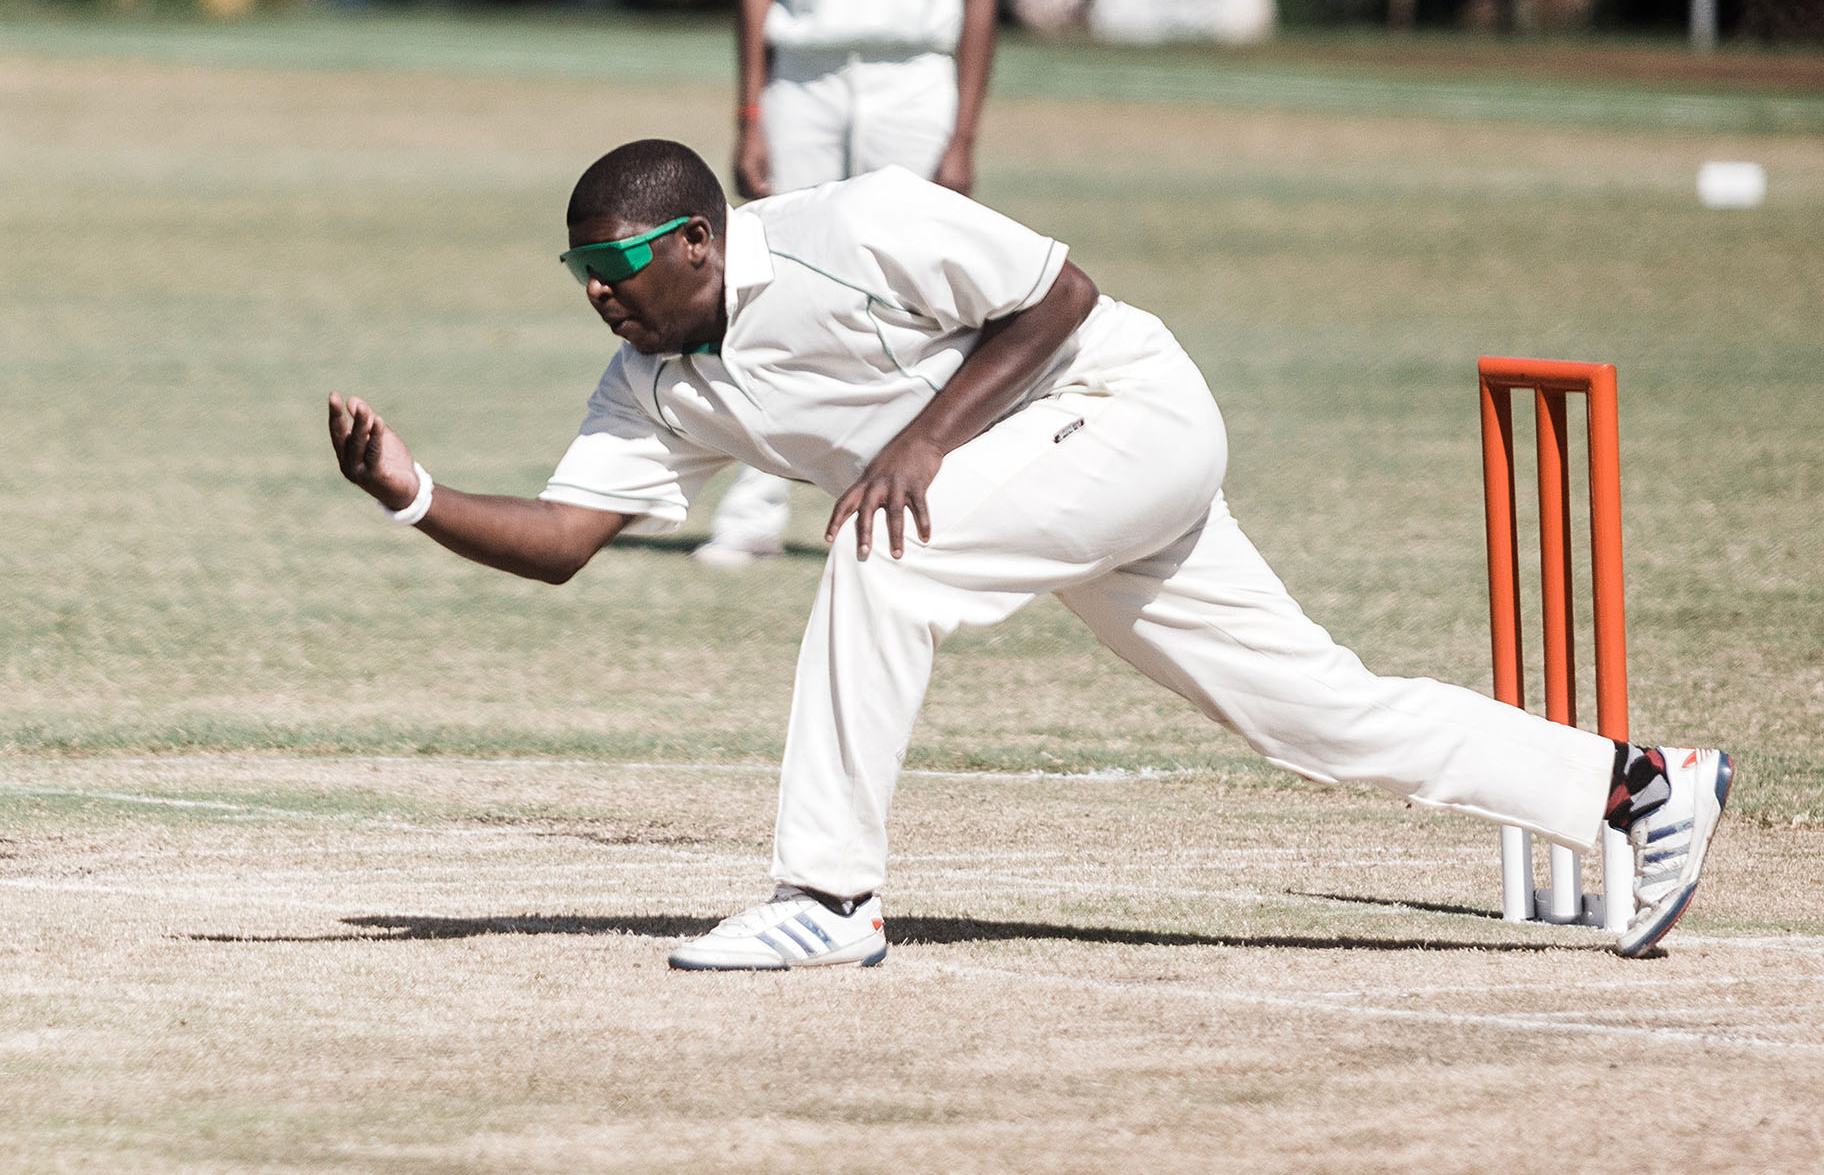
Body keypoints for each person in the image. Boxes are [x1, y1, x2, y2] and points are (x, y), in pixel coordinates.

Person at [324, 138, 1733, 970]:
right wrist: (412, 491)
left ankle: (825, 899)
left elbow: (1062, 293)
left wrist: (923, 442)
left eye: (618, 270)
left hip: (1128, 412)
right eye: (578, 278)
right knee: (1316, 713)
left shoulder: (856, 224)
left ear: (698, 239)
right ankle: (1639, 787)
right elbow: (569, 540)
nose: (598, 300)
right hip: (1050, 488)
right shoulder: (658, 383)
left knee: (880, 553)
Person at [701, 0, 1015, 569]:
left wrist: (963, 132)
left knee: (914, 294)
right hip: (803, 75)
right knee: (770, 284)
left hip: (915, 78)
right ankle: (754, 511)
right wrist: (750, 114)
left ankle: (919, 502)